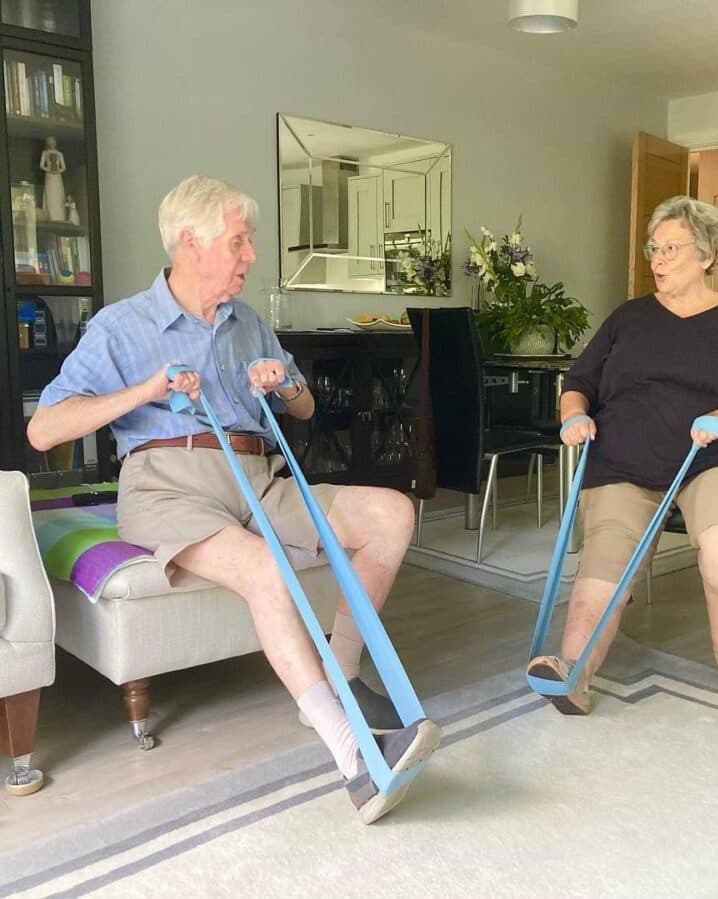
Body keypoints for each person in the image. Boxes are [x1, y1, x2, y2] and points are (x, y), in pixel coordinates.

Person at [27, 175, 440, 823]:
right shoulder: (123, 325)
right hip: (167, 483)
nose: (251, 255)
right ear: (190, 243)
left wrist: (281, 385)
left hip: (260, 478)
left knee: (392, 512)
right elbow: (44, 427)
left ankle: (343, 673)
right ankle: (352, 754)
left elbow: (303, 407)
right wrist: (144, 391)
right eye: (240, 241)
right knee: (267, 568)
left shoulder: (250, 324)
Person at [527, 195, 718, 714]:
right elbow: (578, 382)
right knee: (608, 553)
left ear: (707, 254)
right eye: (654, 248)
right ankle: (573, 671)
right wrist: (573, 415)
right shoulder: (629, 317)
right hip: (625, 460)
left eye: (671, 248)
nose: (658, 259)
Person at [40, 136, 66, 223]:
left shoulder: (59, 154)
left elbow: (64, 167)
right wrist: (49, 169)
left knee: (58, 195)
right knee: (50, 194)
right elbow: (42, 165)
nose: (51, 143)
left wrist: (58, 170)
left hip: (57, 177)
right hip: (49, 177)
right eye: (49, 141)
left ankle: (60, 217)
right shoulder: (45, 153)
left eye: (53, 141)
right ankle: (51, 216)